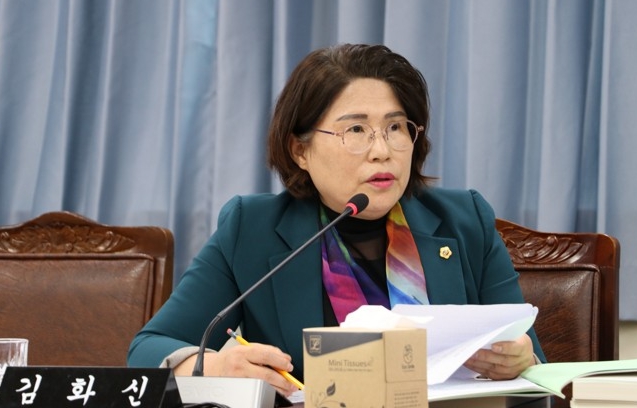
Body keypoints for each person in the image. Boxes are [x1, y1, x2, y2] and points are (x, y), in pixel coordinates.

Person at [127, 43, 545, 397]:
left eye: (395, 127)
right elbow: (147, 350)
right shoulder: (251, 229)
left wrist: (519, 360)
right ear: (300, 150)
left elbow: (533, 363)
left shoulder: (464, 220)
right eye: (356, 130)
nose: (382, 151)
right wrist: (214, 368)